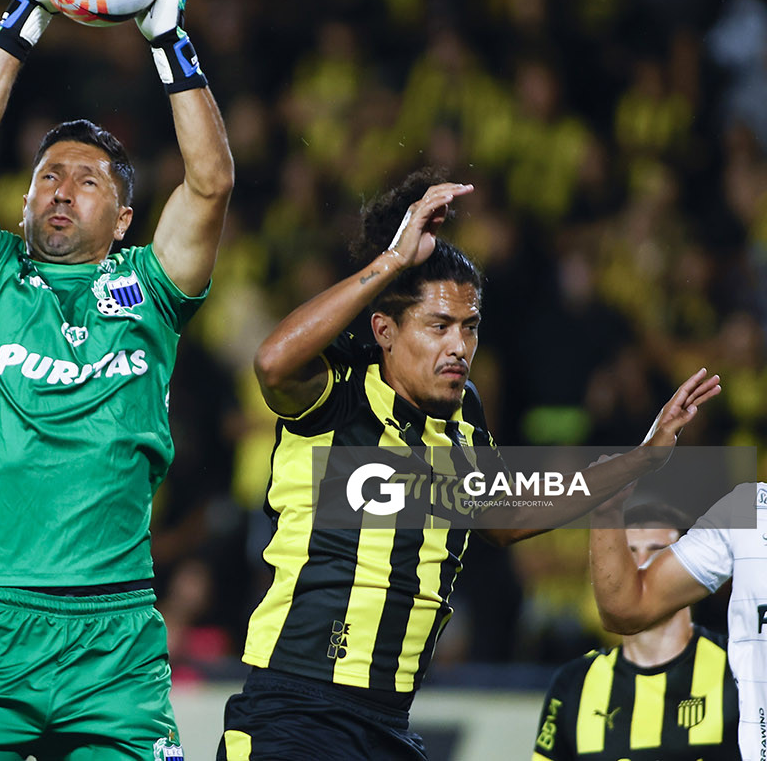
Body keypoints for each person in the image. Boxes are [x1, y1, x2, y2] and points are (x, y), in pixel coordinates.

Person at [219, 171, 720, 761]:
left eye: (469, 326)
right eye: (438, 326)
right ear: (384, 330)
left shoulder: (465, 415)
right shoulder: (339, 390)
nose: (458, 345)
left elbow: (503, 517)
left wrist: (638, 460)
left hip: (388, 722)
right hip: (296, 710)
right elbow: (272, 362)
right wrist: (393, 260)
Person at [0, 0, 232, 759]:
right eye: (50, 174)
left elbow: (209, 185)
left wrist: (168, 38)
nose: (62, 187)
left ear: (125, 217)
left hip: (114, 638)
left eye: (89, 180)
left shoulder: (152, 291)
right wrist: (29, 13)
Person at [532, 504, 738, 760]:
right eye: (626, 555)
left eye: (659, 553)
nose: (640, 567)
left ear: (693, 567)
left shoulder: (742, 667)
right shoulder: (574, 683)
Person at [591, 480, 766, 759]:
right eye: (632, 551)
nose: (642, 561)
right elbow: (624, 610)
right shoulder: (750, 509)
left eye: (654, 549)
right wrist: (606, 510)